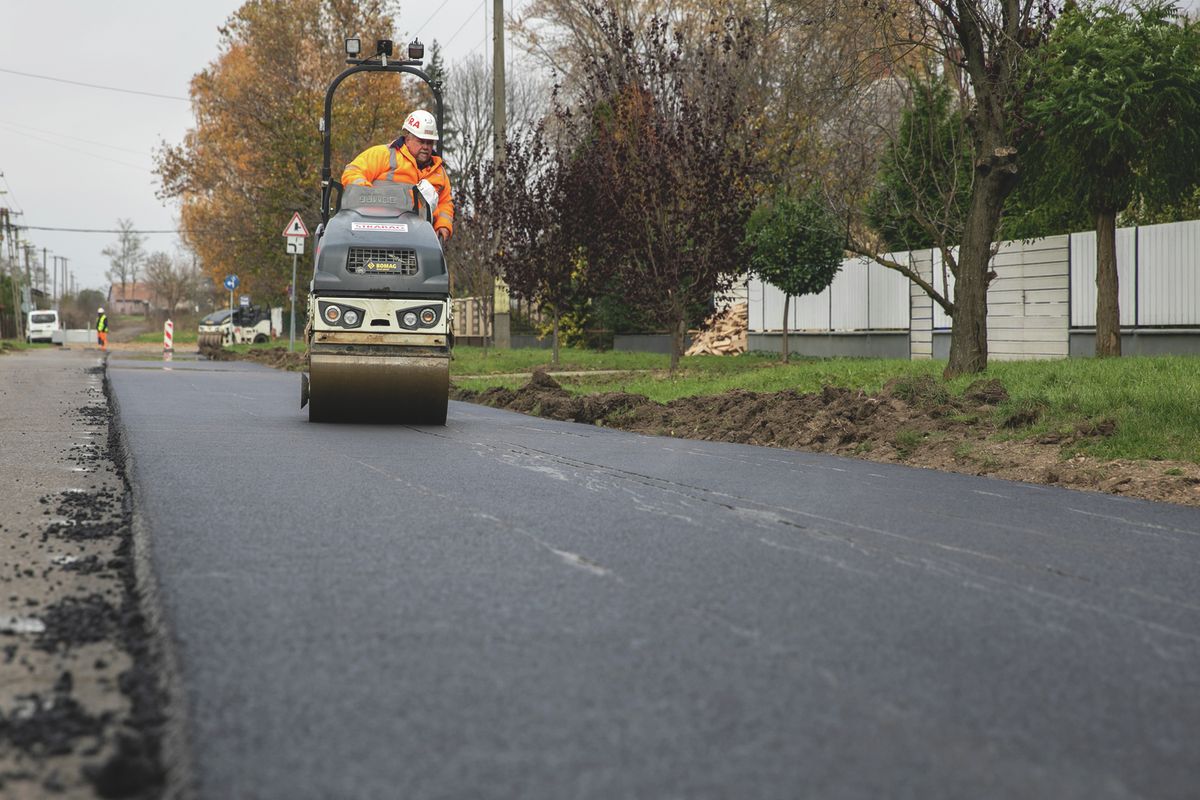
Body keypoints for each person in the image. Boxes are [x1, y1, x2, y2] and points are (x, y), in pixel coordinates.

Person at [341, 110, 454, 242]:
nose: (425, 147)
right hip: (378, 229)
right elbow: (352, 171)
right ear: (408, 138)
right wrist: (367, 193)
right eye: (421, 141)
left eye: (429, 143)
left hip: (421, 238)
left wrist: (443, 225)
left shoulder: (439, 172)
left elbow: (445, 202)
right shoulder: (384, 155)